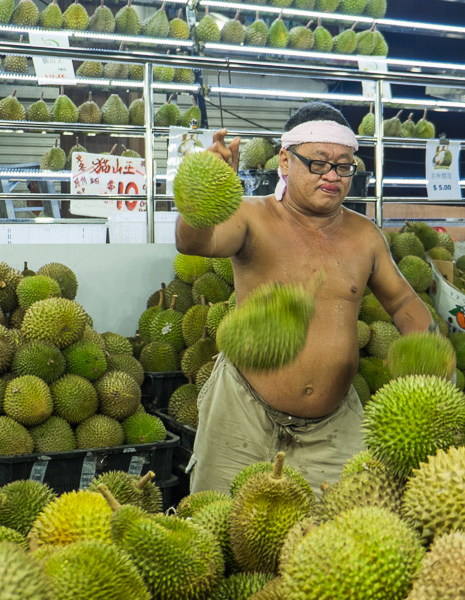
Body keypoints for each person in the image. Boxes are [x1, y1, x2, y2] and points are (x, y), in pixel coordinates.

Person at [176, 102, 434, 495]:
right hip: (243, 414)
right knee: (220, 532)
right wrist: (204, 192)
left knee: (333, 544)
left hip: (333, 429)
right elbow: (193, 241)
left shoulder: (365, 235)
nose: (332, 175)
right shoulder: (250, 217)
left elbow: (403, 303)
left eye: (343, 165)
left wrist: (425, 355)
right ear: (284, 160)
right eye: (318, 163)